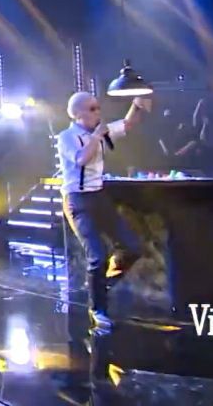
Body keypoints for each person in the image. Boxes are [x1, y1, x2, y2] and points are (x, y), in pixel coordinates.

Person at [57, 91, 152, 330]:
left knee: (133, 246)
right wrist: (96, 137)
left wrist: (137, 105)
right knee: (97, 255)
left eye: (98, 107)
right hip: (78, 201)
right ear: (77, 114)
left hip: (99, 197)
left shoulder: (100, 131)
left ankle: (103, 283)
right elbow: (81, 159)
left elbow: (127, 124)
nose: (98, 112)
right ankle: (98, 308)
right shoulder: (67, 137)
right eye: (92, 109)